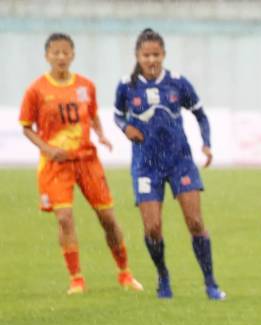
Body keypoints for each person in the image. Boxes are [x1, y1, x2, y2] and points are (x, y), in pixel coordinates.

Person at [19, 33, 142, 295]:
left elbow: (93, 114)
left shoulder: (86, 85)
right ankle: (76, 278)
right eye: (55, 52)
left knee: (107, 217)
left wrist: (101, 134)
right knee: (64, 218)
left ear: (73, 54)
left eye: (65, 52)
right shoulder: (36, 90)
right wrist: (47, 148)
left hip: (87, 160)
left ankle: (125, 273)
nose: (61, 57)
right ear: (47, 56)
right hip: (56, 164)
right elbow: (27, 127)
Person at [114, 28, 225, 300]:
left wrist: (206, 143)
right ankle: (163, 276)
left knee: (196, 222)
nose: (151, 60)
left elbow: (200, 114)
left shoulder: (177, 83)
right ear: (137, 56)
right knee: (152, 228)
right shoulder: (126, 86)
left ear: (163, 54)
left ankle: (210, 282)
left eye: (156, 54)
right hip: (146, 165)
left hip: (179, 162)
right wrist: (126, 128)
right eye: (146, 55)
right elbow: (118, 116)